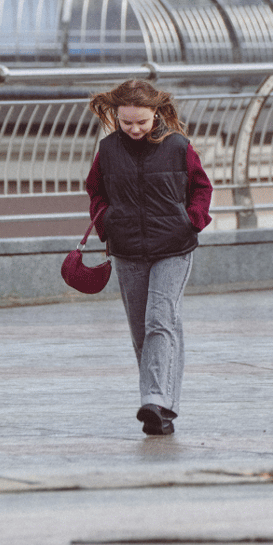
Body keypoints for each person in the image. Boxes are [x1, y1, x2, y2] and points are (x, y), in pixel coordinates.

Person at [85, 79, 213, 436]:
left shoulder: (177, 146)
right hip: (128, 250)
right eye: (127, 122)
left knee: (161, 318)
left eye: (141, 121)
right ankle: (162, 409)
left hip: (174, 247)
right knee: (144, 329)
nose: (135, 128)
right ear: (116, 115)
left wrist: (192, 221)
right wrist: (108, 225)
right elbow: (94, 190)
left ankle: (155, 401)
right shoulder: (107, 150)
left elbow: (202, 188)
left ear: (156, 112)